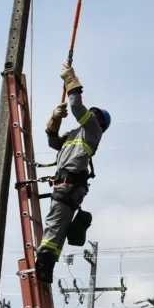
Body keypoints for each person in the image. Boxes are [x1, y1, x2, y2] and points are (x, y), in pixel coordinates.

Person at [34, 63, 111, 284]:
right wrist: (55, 119)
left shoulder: (93, 130)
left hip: (70, 185)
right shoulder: (74, 134)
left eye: (94, 114)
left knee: (54, 224)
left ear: (99, 121)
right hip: (67, 185)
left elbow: (76, 106)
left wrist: (70, 78)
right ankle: (46, 267)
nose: (91, 115)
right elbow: (53, 142)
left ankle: (43, 264)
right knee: (57, 226)